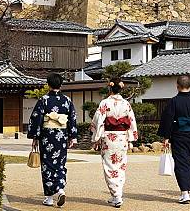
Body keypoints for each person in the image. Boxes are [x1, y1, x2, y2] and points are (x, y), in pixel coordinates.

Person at [27, 73, 78, 208]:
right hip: (61, 136)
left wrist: (35, 137)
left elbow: (36, 118)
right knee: (60, 163)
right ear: (60, 85)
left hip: (47, 136)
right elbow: (72, 118)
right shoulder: (67, 100)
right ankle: (60, 189)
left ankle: (49, 198)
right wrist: (72, 136)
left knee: (47, 165)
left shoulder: (43, 100)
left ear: (48, 84)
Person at [158, 75, 190, 205]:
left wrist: (166, 137)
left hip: (179, 135)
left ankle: (185, 192)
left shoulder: (174, 101)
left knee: (181, 163)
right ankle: (187, 190)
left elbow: (168, 119)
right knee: (189, 162)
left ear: (177, 85)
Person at [90, 77, 138, 208]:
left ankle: (116, 196)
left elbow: (98, 121)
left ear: (110, 88)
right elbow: (132, 121)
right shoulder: (126, 104)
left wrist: (96, 138)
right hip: (122, 137)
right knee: (121, 165)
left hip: (109, 138)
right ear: (121, 88)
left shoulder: (105, 103)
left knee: (109, 165)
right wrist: (131, 138)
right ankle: (117, 194)